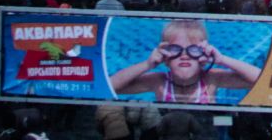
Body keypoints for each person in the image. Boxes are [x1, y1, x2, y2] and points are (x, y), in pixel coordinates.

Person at [108, 17, 262, 104]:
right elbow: (110, 87)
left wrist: (222, 60)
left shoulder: (211, 79)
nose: (185, 55)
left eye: (193, 50)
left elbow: (262, 81)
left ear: (203, 57)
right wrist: (147, 65)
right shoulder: (160, 82)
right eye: (175, 49)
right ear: (165, 58)